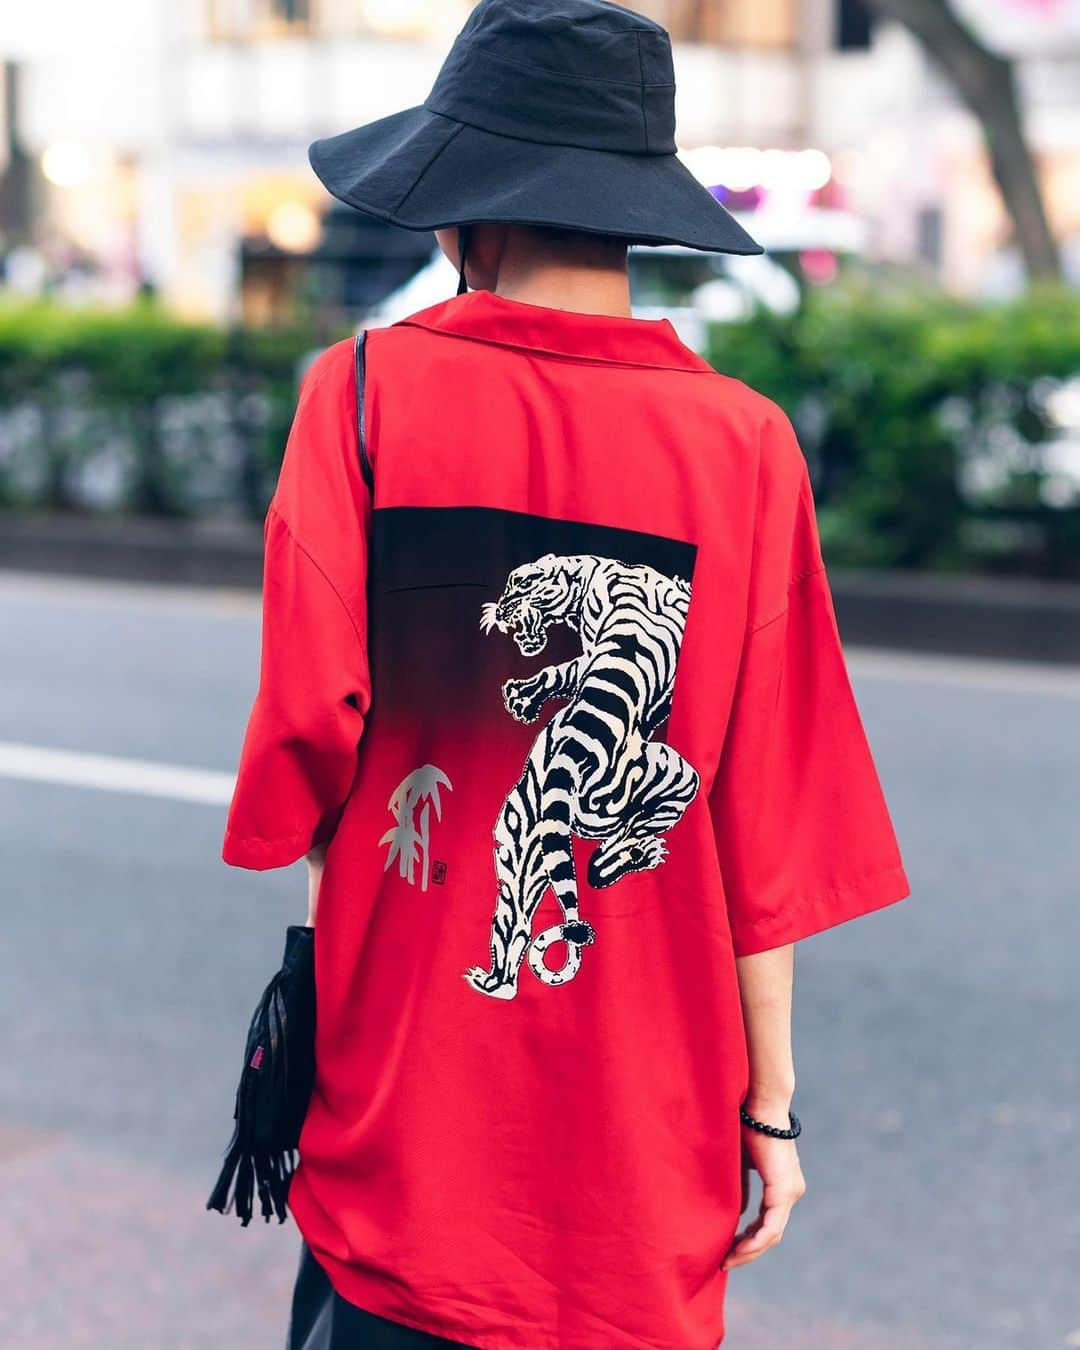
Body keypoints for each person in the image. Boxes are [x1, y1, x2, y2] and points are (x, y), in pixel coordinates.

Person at [222, 1, 910, 1346]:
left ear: (468, 208)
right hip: (642, 1157)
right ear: (629, 208)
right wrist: (768, 1108)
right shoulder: (748, 446)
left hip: (409, 1117)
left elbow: (308, 748)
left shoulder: (358, 396)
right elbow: (759, 826)